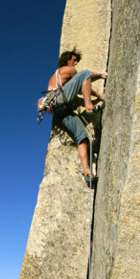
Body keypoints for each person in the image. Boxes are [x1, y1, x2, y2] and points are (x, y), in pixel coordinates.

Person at [48, 50, 107, 185]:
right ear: (67, 60)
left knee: (82, 137)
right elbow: (85, 77)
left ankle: (87, 171)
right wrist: (100, 77)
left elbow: (82, 87)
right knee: (85, 73)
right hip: (60, 99)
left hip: (59, 112)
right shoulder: (66, 69)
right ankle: (89, 107)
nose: (75, 63)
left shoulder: (59, 76)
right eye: (73, 60)